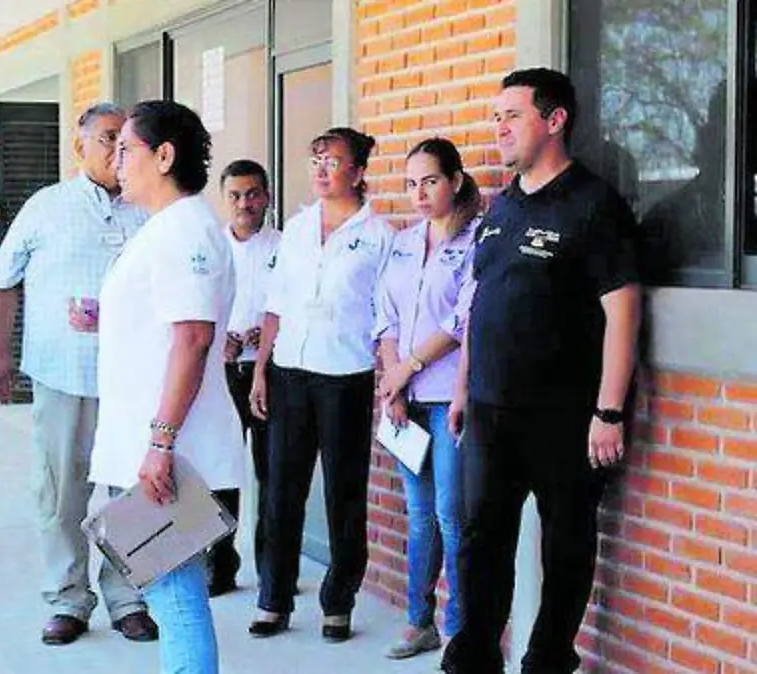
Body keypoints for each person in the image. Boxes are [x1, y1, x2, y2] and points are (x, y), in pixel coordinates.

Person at [441, 68, 641, 674]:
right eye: (495, 115)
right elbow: (481, 307)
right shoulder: (503, 209)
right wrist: (461, 390)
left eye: (512, 115)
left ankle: (549, 660)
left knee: (566, 546)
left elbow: (623, 311)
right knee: (481, 542)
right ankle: (473, 658)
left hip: (567, 419)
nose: (498, 127)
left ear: (554, 120)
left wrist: (608, 411)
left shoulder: (594, 205)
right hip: (490, 413)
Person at [0, 102, 156, 645]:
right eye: (107, 139)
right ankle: (68, 598)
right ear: (78, 145)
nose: (117, 151)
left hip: (130, 381)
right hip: (62, 375)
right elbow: (2, 281)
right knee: (61, 494)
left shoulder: (147, 210)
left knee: (130, 491)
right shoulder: (45, 207)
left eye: (126, 141)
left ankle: (127, 597)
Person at [91, 99, 244, 674]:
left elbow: (194, 339)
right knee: (169, 594)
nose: (116, 160)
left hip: (169, 454)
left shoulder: (187, 231)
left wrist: (159, 442)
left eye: (125, 149)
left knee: (176, 600)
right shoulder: (165, 229)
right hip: (149, 448)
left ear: (164, 155)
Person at [248, 127, 393, 642]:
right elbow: (276, 303)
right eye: (316, 158)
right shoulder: (297, 226)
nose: (322, 169)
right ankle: (274, 598)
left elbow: (387, 316)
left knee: (344, 494)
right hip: (291, 372)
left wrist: (391, 377)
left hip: (345, 377)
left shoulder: (379, 236)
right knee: (280, 489)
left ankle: (338, 602)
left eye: (333, 160)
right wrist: (262, 367)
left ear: (357, 172)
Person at [373, 137, 479, 659]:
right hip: (405, 399)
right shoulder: (402, 242)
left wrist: (408, 367)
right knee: (419, 517)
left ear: (455, 181)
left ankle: (459, 628)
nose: (419, 193)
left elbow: (462, 320)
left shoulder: (477, 240)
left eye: (430, 181)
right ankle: (419, 623)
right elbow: (384, 313)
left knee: (451, 515)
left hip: (447, 398)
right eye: (411, 183)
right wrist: (393, 379)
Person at [208, 159, 280, 597]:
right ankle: (220, 564)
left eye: (252, 194)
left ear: (267, 197)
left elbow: (295, 305)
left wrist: (266, 334)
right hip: (223, 373)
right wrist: (222, 341)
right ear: (224, 199)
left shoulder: (285, 247)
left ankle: (273, 571)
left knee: (273, 475)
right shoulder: (211, 248)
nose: (244, 203)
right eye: (235, 195)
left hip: (272, 374)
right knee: (222, 472)